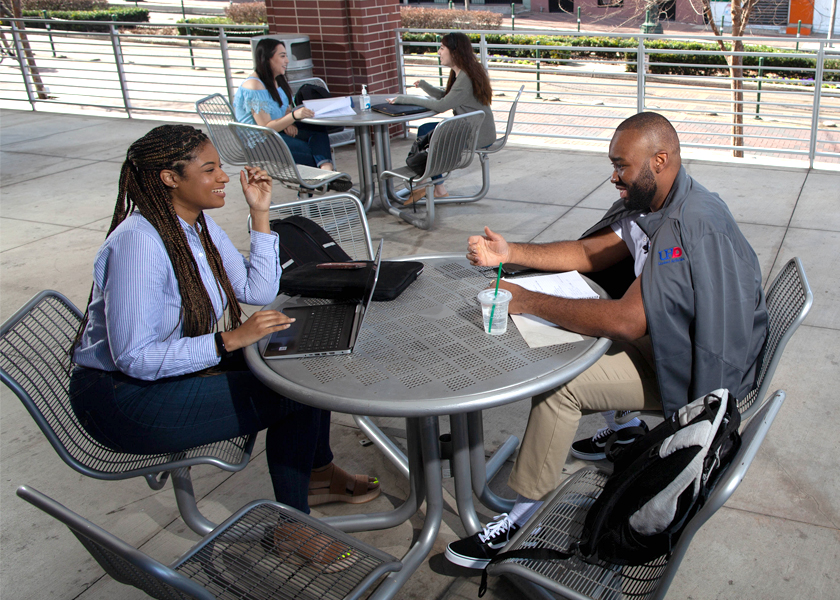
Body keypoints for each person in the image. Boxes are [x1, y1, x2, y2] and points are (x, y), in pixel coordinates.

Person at [446, 112, 768, 569]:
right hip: (674, 336)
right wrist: (511, 253)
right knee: (576, 338)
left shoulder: (683, 226)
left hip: (697, 368)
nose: (613, 177)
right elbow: (591, 253)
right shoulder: (659, 202)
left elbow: (625, 321)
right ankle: (622, 430)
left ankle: (521, 519)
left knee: (562, 385)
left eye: (622, 166)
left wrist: (527, 301)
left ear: (659, 160)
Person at [69, 124, 378, 514]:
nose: (224, 177)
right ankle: (293, 525)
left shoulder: (195, 224)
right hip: (124, 398)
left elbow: (257, 290)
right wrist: (228, 340)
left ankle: (316, 474)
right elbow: (134, 356)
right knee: (294, 393)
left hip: (161, 372)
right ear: (170, 178)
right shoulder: (139, 243)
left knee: (304, 362)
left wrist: (260, 213)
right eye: (210, 169)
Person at [389, 32, 495, 203]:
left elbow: (441, 106)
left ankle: (427, 182)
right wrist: (424, 85)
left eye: (442, 48)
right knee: (429, 131)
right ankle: (434, 185)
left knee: (428, 131)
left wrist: (401, 98)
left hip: (476, 135)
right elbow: (447, 97)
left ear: (454, 51)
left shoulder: (464, 78)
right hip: (476, 130)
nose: (438, 52)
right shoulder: (464, 72)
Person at [233, 38, 351, 192]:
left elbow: (284, 106)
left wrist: (289, 120)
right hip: (261, 143)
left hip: (277, 132)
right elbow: (264, 128)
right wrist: (293, 117)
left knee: (317, 129)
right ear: (267, 58)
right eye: (282, 56)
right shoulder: (255, 85)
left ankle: (326, 172)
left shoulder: (275, 80)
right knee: (309, 153)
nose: (287, 60)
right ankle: (319, 185)